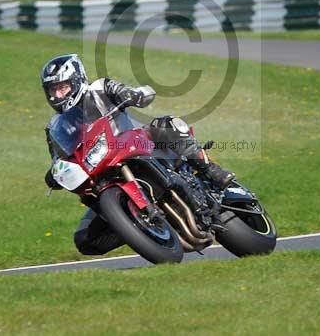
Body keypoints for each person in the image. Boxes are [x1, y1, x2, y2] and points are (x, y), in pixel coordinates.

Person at [39, 53, 235, 255]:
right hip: (103, 172)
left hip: (138, 144)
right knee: (85, 240)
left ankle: (210, 169)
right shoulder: (55, 127)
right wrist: (54, 174)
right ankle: (137, 226)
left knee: (165, 124)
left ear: (77, 80)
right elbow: (59, 158)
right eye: (53, 90)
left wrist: (133, 95)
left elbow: (131, 92)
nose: (59, 95)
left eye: (63, 87)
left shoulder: (100, 89)